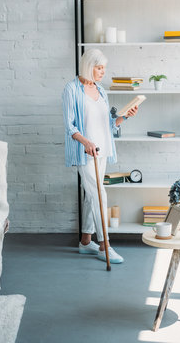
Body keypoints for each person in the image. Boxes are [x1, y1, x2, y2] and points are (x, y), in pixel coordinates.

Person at [62, 49, 138, 264]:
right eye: (99, 67)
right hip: (85, 152)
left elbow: (109, 125)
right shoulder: (71, 89)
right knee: (99, 194)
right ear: (88, 66)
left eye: (104, 67)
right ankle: (105, 245)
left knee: (90, 195)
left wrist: (124, 117)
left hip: (103, 149)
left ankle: (86, 242)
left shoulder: (101, 90)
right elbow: (69, 126)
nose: (103, 71)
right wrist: (86, 142)